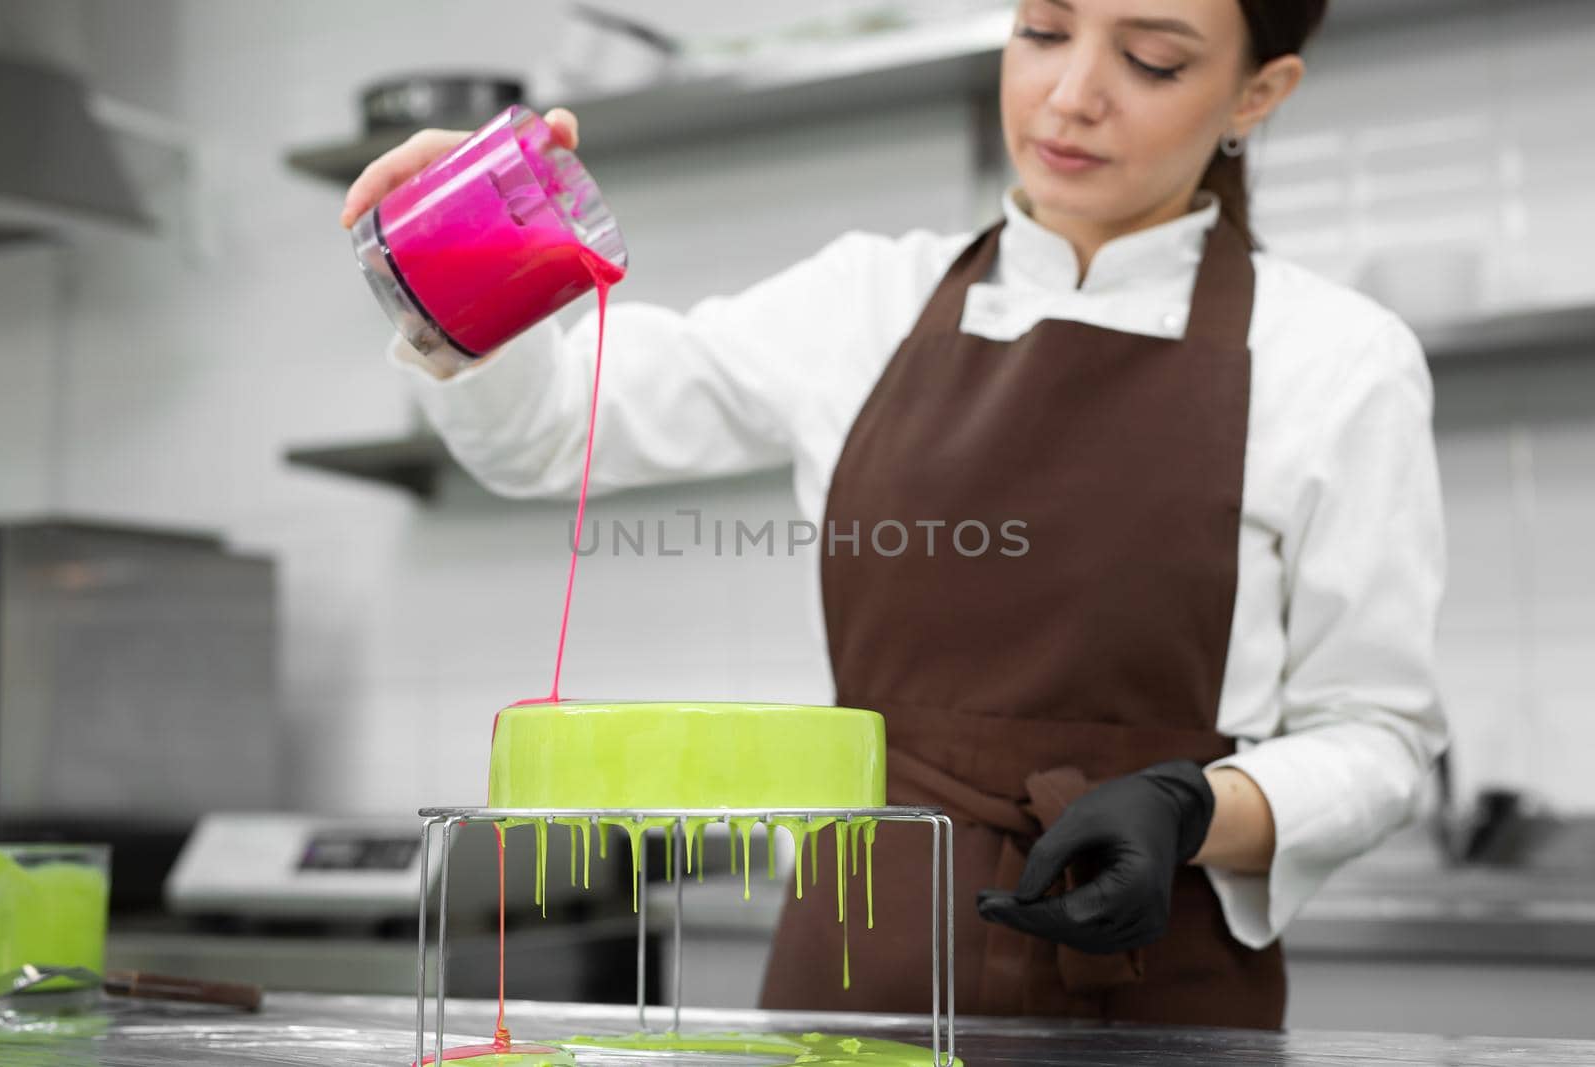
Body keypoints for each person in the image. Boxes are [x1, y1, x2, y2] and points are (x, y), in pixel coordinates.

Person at [344, 0, 1446, 1029]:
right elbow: (547, 431)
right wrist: (447, 266)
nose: (1071, 94)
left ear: (1258, 92)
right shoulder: (862, 301)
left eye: (1151, 59)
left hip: (1155, 968)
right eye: (1043, 32)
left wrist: (1195, 805)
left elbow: (1380, 734)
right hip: (859, 964)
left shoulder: (1337, 359)